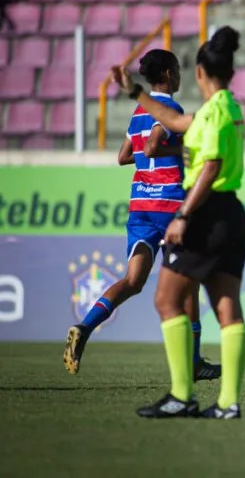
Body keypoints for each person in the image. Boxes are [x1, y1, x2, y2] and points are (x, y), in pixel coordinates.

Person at [117, 27, 245, 419]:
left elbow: (209, 167)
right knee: (227, 307)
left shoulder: (213, 112)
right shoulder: (229, 107)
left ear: (199, 74)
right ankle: (227, 403)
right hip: (231, 213)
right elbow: (176, 125)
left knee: (166, 300)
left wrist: (183, 215)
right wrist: (135, 93)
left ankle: (181, 395)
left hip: (205, 213)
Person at [64, 49, 220, 383]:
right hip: (168, 204)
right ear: (166, 73)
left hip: (140, 207)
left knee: (132, 281)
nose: (180, 75)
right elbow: (151, 146)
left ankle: (84, 327)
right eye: (177, 69)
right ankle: (193, 362)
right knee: (188, 285)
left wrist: (150, 152)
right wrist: (184, 149)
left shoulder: (138, 112)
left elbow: (124, 156)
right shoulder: (170, 109)